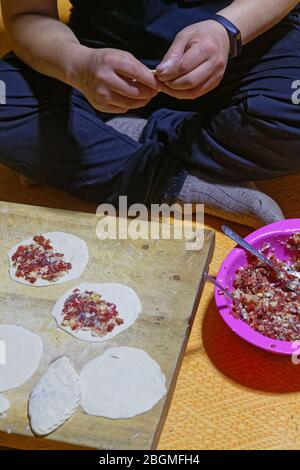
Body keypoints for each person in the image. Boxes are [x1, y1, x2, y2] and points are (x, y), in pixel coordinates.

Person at [0, 0, 299, 227]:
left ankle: (114, 138)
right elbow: (26, 13)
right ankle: (176, 184)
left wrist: (226, 30)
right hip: (100, 63)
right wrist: (76, 64)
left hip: (245, 43)